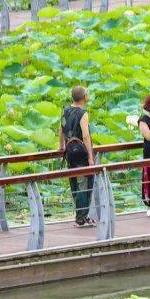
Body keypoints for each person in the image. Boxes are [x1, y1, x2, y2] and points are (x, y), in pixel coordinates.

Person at [59, 85, 96, 228]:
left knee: (74, 182)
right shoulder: (83, 113)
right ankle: (81, 218)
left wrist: (61, 147)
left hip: (70, 151)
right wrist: (91, 158)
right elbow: (86, 136)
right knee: (84, 184)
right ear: (85, 97)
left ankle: (82, 216)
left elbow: (61, 130)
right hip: (81, 153)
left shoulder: (65, 110)